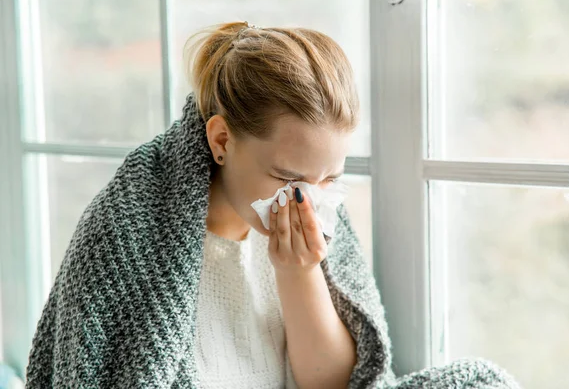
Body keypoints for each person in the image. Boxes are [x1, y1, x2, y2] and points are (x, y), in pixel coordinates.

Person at [25, 22, 521, 389]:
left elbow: (344, 384)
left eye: (330, 176)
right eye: (286, 176)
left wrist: (298, 273)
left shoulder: (319, 209)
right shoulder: (132, 229)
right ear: (220, 140)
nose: (307, 198)